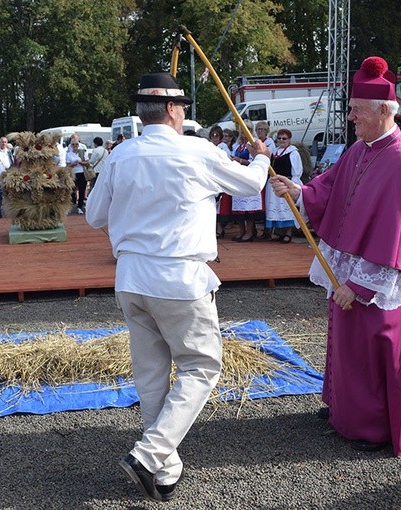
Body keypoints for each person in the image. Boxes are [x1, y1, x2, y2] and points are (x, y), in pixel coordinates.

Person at [85, 72, 271, 502]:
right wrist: (260, 156)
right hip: (179, 278)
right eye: (182, 106)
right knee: (200, 366)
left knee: (151, 376)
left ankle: (164, 469)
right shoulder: (197, 150)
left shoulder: (119, 155)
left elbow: (95, 217)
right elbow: (251, 185)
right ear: (171, 110)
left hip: (131, 277)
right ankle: (150, 456)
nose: (184, 112)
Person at [270, 56, 401, 456]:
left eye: (357, 108)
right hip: (348, 276)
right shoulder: (360, 148)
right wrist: (299, 191)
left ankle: (371, 427)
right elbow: (329, 187)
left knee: (370, 354)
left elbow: (396, 236)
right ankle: (344, 410)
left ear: (382, 110)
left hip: (373, 286)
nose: (351, 115)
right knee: (345, 347)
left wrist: (358, 285)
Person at [265, 128, 301, 243]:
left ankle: (288, 233)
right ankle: (280, 232)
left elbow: (297, 171)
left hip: (286, 183)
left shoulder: (293, 152)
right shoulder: (275, 152)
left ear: (289, 140)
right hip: (274, 184)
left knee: (287, 208)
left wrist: (294, 183)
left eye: (284, 138)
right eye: (279, 138)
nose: (281, 140)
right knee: (276, 209)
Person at [229, 121, 263, 242]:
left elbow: (255, 161)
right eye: (242, 130)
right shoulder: (238, 145)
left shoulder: (253, 144)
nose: (244, 132)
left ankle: (249, 232)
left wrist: (240, 160)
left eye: (247, 129)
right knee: (239, 207)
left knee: (249, 208)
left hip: (248, 175)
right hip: (239, 176)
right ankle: (242, 231)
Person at [66, 133, 89, 214]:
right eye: (73, 144)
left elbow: (87, 163)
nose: (75, 146)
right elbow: (68, 165)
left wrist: (80, 162)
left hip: (82, 173)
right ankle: (73, 203)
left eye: (76, 144)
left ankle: (80, 206)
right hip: (73, 173)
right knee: (72, 190)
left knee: (82, 190)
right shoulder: (69, 154)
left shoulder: (83, 152)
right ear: (71, 145)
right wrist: (73, 164)